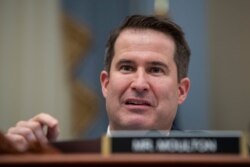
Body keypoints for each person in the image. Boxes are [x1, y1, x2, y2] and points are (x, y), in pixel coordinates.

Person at [5, 14, 191, 151]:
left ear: (181, 91)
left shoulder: (213, 161)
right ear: (105, 84)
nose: (139, 84)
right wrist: (15, 159)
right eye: (127, 67)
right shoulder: (60, 159)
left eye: (155, 70)